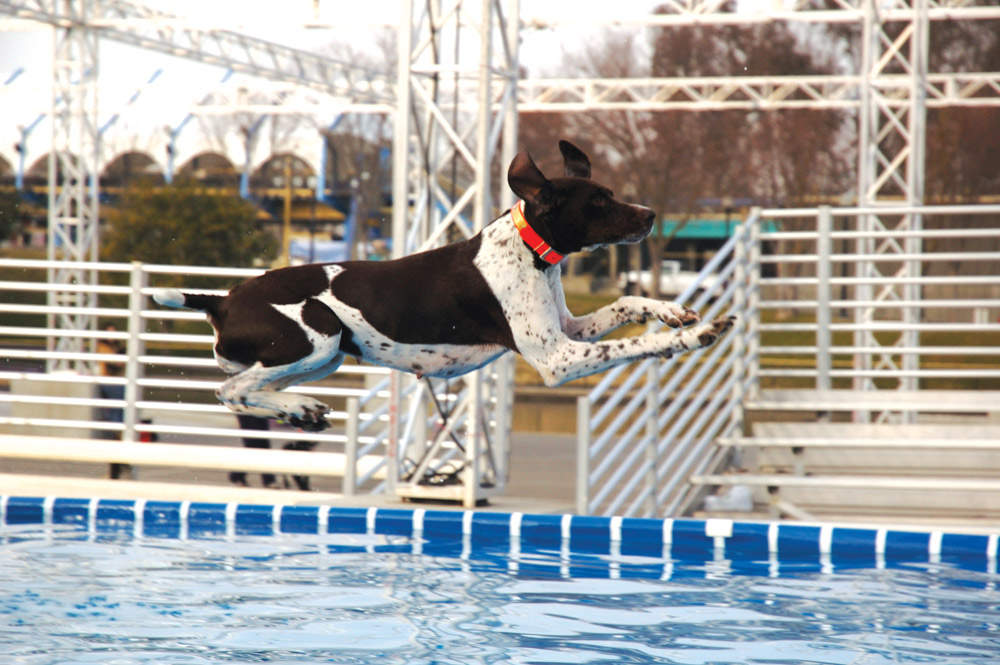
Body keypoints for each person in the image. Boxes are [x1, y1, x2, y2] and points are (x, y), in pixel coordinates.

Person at [95, 323, 131, 479]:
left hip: (120, 384)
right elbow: (114, 365)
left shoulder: (116, 348)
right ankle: (118, 459)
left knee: (120, 419)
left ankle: (118, 461)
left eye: (114, 332)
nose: (112, 336)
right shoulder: (102, 347)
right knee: (116, 420)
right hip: (111, 384)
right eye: (109, 332)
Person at [231, 413, 277, 488]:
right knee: (253, 443)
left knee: (263, 443)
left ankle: (268, 480)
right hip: (245, 408)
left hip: (258, 408)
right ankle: (237, 474)